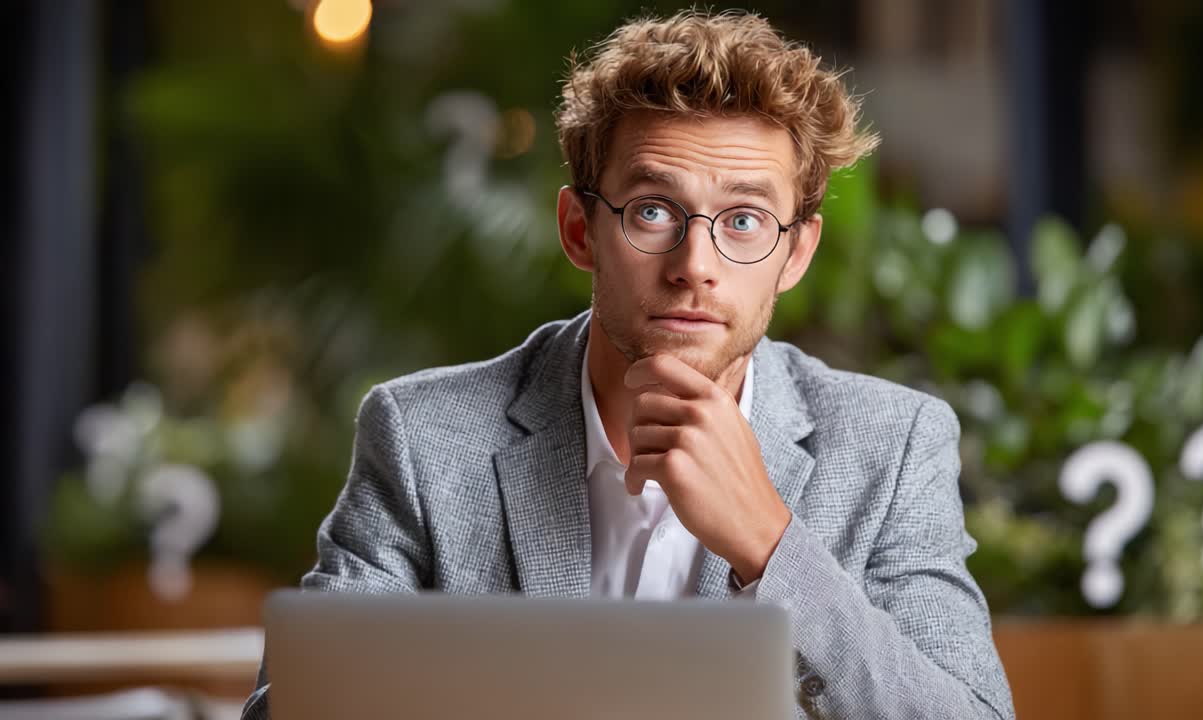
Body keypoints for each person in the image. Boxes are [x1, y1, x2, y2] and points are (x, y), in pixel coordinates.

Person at [242, 10, 1013, 719]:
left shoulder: (891, 446)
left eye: (744, 221)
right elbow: (294, 709)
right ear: (580, 231)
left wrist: (769, 544)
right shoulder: (423, 438)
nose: (695, 266)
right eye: (652, 211)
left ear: (795, 254)